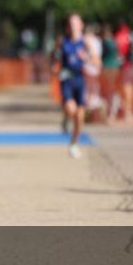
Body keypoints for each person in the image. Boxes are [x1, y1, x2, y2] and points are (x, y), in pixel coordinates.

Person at [53, 13, 98, 158]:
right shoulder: (62, 41)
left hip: (80, 80)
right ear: (67, 27)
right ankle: (66, 117)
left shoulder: (86, 43)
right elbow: (53, 56)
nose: (73, 26)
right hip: (66, 79)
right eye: (70, 23)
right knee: (71, 110)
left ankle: (74, 143)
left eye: (76, 23)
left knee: (80, 117)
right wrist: (54, 66)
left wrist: (87, 58)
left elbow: (97, 62)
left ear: (81, 25)